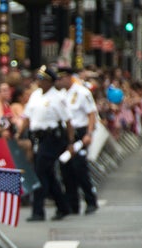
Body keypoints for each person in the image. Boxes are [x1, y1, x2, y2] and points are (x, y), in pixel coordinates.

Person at [16, 66, 74, 222]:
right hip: (38, 138)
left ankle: (38, 211)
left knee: (40, 172)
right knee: (48, 174)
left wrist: (70, 142)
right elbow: (27, 117)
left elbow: (68, 121)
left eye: (42, 80)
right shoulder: (35, 95)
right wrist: (18, 133)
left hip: (52, 138)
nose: (39, 82)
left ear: (49, 82)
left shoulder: (58, 98)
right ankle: (63, 206)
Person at [55, 67, 99, 213]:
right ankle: (73, 204)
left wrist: (89, 133)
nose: (59, 81)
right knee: (66, 169)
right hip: (66, 133)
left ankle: (90, 200)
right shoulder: (59, 94)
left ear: (68, 77)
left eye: (62, 78)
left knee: (79, 167)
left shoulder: (81, 92)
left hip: (80, 132)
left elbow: (91, 113)